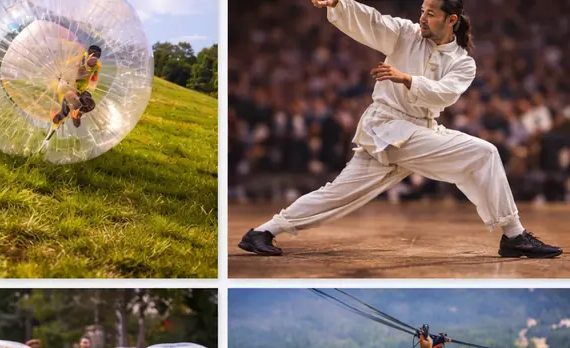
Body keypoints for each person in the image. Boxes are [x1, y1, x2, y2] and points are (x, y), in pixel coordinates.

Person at [238, 0, 562, 260]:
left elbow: (445, 94)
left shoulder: (463, 62)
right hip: (388, 128)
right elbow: (374, 21)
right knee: (485, 152)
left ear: (451, 20)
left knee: (336, 194)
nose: (422, 18)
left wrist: (406, 79)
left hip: (417, 133)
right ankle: (514, 235)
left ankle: (263, 231)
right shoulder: (406, 33)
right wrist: (339, 4)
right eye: (422, 10)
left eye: (431, 13)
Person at [51, 44, 101, 129]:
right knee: (66, 108)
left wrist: (91, 88)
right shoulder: (78, 59)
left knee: (89, 104)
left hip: (83, 89)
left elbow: (94, 77)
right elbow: (74, 71)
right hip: (70, 87)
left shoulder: (97, 65)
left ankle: (77, 114)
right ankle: (61, 116)